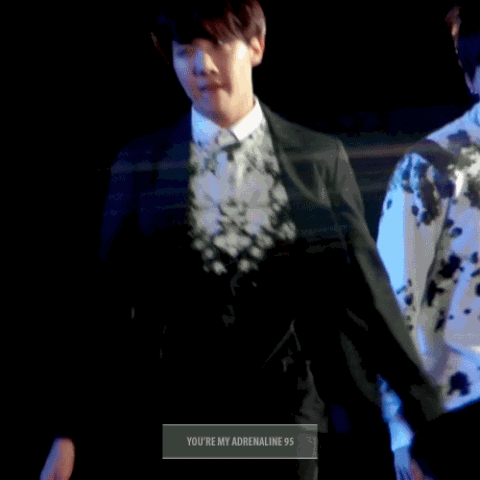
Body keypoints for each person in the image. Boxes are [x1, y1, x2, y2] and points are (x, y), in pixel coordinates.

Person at [41, 2, 443, 478]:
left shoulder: (316, 159)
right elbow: (106, 307)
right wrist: (68, 434)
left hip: (286, 422)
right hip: (180, 426)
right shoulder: (141, 164)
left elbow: (366, 296)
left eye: (217, 44)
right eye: (185, 50)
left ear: (256, 46)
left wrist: (427, 419)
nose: (201, 65)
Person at [377, 4, 480, 479]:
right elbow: (391, 305)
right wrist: (401, 433)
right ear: (472, 77)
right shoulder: (431, 166)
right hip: (458, 414)